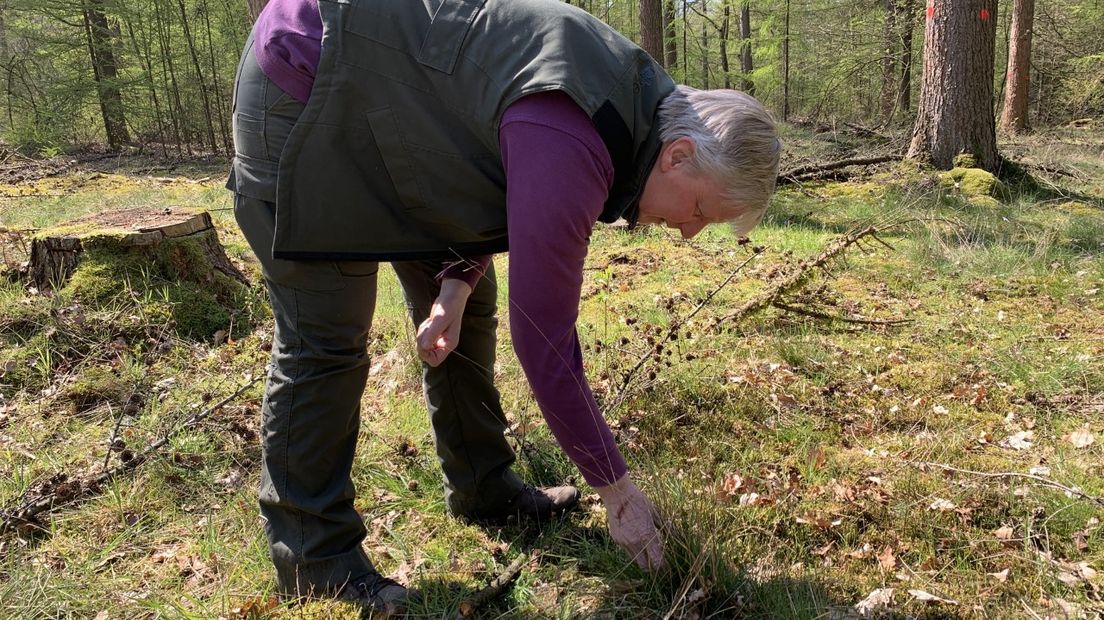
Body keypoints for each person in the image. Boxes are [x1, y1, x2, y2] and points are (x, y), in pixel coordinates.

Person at [228, 0, 780, 614]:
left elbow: (480, 152)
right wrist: (619, 496)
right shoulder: (576, 129)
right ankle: (313, 555)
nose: (687, 233)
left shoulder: (627, 106)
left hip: (397, 106)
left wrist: (456, 284)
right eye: (701, 211)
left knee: (472, 295)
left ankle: (482, 485)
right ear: (678, 154)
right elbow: (545, 342)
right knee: (326, 332)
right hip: (308, 74)